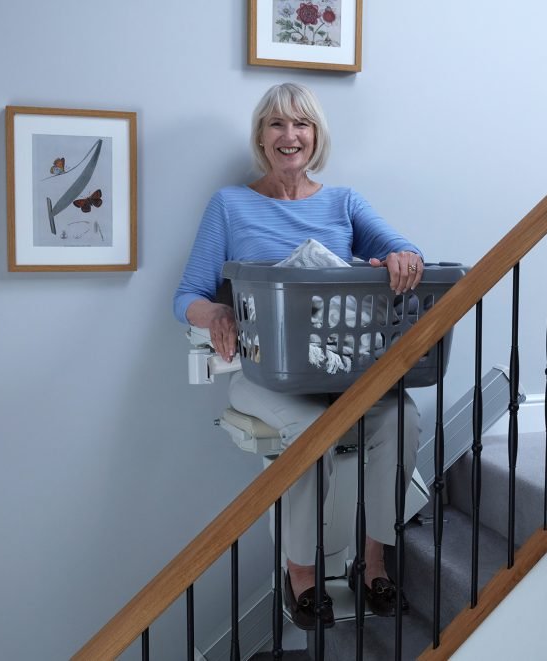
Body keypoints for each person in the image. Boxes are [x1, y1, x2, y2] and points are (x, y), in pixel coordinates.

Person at [173, 82, 424, 630]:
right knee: (315, 431)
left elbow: (404, 251)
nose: (291, 136)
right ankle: (302, 574)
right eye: (277, 125)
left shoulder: (344, 202)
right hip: (265, 374)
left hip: (339, 369)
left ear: (317, 135)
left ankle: (372, 561)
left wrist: (402, 257)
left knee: (402, 417)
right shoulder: (230, 204)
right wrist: (214, 314)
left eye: (302, 124)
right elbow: (186, 294)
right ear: (261, 138)